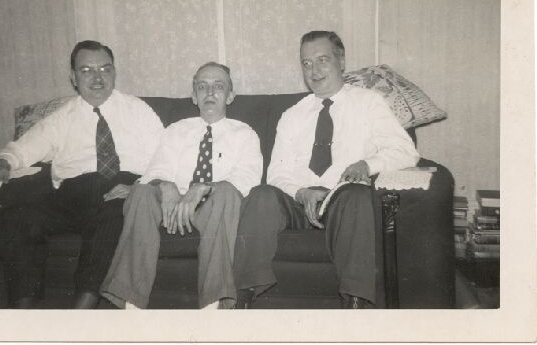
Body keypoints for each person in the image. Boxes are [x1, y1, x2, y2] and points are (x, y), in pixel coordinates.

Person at [232, 31, 419, 309]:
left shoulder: (368, 102)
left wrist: (366, 164)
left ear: (341, 61)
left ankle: (356, 303)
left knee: (355, 195)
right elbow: (277, 175)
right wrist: (301, 193)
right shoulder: (292, 115)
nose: (314, 70)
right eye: (306, 63)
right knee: (261, 195)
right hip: (299, 203)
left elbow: (406, 151)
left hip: (343, 200)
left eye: (322, 60)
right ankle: (243, 298)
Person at [0, 40, 164, 309]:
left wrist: (139, 186)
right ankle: (23, 313)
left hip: (121, 191)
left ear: (114, 73)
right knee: (17, 217)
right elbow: (24, 148)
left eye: (105, 69)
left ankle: (81, 313)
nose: (97, 78)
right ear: (73, 78)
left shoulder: (138, 110)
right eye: (87, 70)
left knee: (115, 210)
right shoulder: (62, 117)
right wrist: (1, 163)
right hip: (73, 196)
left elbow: (165, 157)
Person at [100, 62, 263, 310]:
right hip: (173, 206)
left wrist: (204, 187)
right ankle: (130, 303)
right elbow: (157, 168)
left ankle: (213, 305)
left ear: (230, 96)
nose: (210, 93)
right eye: (202, 87)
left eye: (218, 86)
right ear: (194, 96)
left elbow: (248, 177)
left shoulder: (244, 133)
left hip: (215, 205)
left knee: (226, 194)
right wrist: (166, 186)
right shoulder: (177, 130)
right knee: (141, 191)